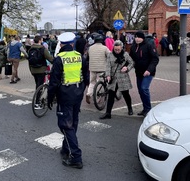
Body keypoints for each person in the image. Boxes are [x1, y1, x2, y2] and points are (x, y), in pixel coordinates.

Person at [47, 32, 89, 169]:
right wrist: (81, 90)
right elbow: (86, 77)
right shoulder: (80, 57)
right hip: (78, 94)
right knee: (73, 121)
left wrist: (49, 98)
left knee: (65, 124)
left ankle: (76, 156)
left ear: (60, 44)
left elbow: (53, 82)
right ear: (72, 43)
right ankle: (66, 148)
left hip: (64, 95)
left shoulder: (59, 59)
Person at [99, 40, 134, 119]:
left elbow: (132, 63)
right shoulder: (110, 55)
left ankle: (130, 108)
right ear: (113, 48)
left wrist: (127, 68)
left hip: (123, 77)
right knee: (111, 95)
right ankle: (108, 113)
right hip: (113, 77)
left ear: (122, 48)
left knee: (126, 94)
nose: (117, 51)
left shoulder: (125, 54)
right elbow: (108, 66)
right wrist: (108, 75)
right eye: (115, 49)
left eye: (119, 49)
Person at [129, 31, 159, 117]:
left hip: (148, 72)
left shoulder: (149, 45)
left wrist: (149, 70)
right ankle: (145, 108)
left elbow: (155, 59)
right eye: (136, 37)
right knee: (140, 91)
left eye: (139, 37)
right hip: (139, 72)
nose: (137, 39)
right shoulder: (133, 47)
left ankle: (148, 109)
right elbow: (130, 59)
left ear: (143, 38)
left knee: (144, 88)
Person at [85, 34, 110, 104]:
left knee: (92, 82)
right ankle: (97, 96)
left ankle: (88, 94)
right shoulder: (104, 48)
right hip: (102, 68)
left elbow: (87, 57)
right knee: (100, 82)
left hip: (92, 68)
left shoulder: (90, 48)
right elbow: (110, 56)